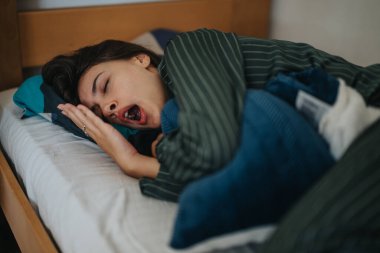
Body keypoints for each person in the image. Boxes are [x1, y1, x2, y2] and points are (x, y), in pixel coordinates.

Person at [42, 28, 380, 202]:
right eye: (102, 114)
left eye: (106, 86)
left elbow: (215, 150)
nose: (111, 109)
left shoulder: (187, 50)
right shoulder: (171, 133)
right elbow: (231, 185)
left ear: (140, 60)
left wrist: (135, 164)